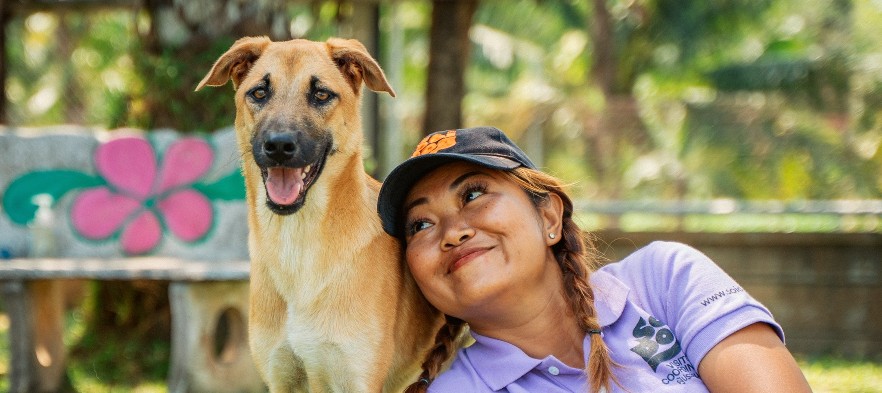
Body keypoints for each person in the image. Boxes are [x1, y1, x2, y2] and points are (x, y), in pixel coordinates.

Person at [376, 126, 812, 393]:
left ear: (548, 215)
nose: (453, 231)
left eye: (474, 194)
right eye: (421, 225)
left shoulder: (665, 279)